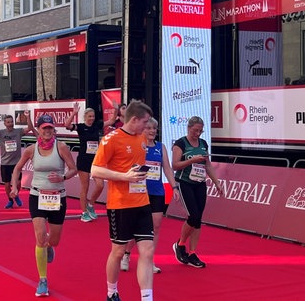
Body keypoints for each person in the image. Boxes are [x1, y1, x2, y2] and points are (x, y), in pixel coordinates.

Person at [91, 100, 155, 301]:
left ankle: (147, 297)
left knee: (147, 250)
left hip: (142, 202)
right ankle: (111, 292)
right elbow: (95, 169)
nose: (147, 127)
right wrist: (124, 177)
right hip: (120, 204)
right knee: (118, 251)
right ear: (134, 119)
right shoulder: (111, 139)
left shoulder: (142, 137)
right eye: (145, 122)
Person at [10, 114, 77, 297]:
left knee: (53, 240)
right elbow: (17, 168)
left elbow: (73, 169)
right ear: (38, 130)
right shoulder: (31, 149)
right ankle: (43, 280)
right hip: (37, 196)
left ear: (53, 130)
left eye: (50, 128)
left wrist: (63, 177)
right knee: (40, 237)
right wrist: (15, 185)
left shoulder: (61, 147)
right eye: (44, 128)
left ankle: (49, 246)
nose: (47, 131)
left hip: (57, 197)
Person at [120, 117, 179, 274]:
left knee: (156, 227)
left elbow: (167, 168)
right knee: (136, 227)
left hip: (157, 192)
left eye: (155, 128)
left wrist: (174, 187)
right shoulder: (136, 145)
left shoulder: (161, 147)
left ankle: (149, 259)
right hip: (139, 192)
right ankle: (126, 255)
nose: (152, 131)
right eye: (149, 128)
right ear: (142, 129)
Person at [172, 116, 225, 269]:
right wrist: (191, 160)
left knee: (198, 220)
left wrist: (217, 182)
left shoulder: (203, 143)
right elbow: (174, 165)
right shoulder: (180, 143)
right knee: (193, 216)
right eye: (195, 130)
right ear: (189, 128)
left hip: (200, 183)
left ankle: (193, 252)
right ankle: (180, 245)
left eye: (200, 131)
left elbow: (207, 165)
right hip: (184, 183)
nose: (198, 134)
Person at [63, 102, 116, 222]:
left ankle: (90, 204)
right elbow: (67, 125)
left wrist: (116, 109)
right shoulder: (81, 127)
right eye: (89, 116)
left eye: (93, 116)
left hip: (96, 161)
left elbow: (112, 121)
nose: (92, 118)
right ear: (85, 117)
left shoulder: (97, 125)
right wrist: (74, 113)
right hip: (83, 160)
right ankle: (83, 212)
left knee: (100, 185)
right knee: (84, 187)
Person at [0, 111, 37, 208]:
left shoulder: (18, 131)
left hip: (17, 162)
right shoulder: (1, 132)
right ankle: (11, 200)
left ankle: (15, 193)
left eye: (12, 122)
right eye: (8, 122)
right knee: (7, 184)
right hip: (5, 163)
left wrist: (28, 117)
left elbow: (30, 128)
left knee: (19, 183)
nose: (10, 124)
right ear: (5, 123)